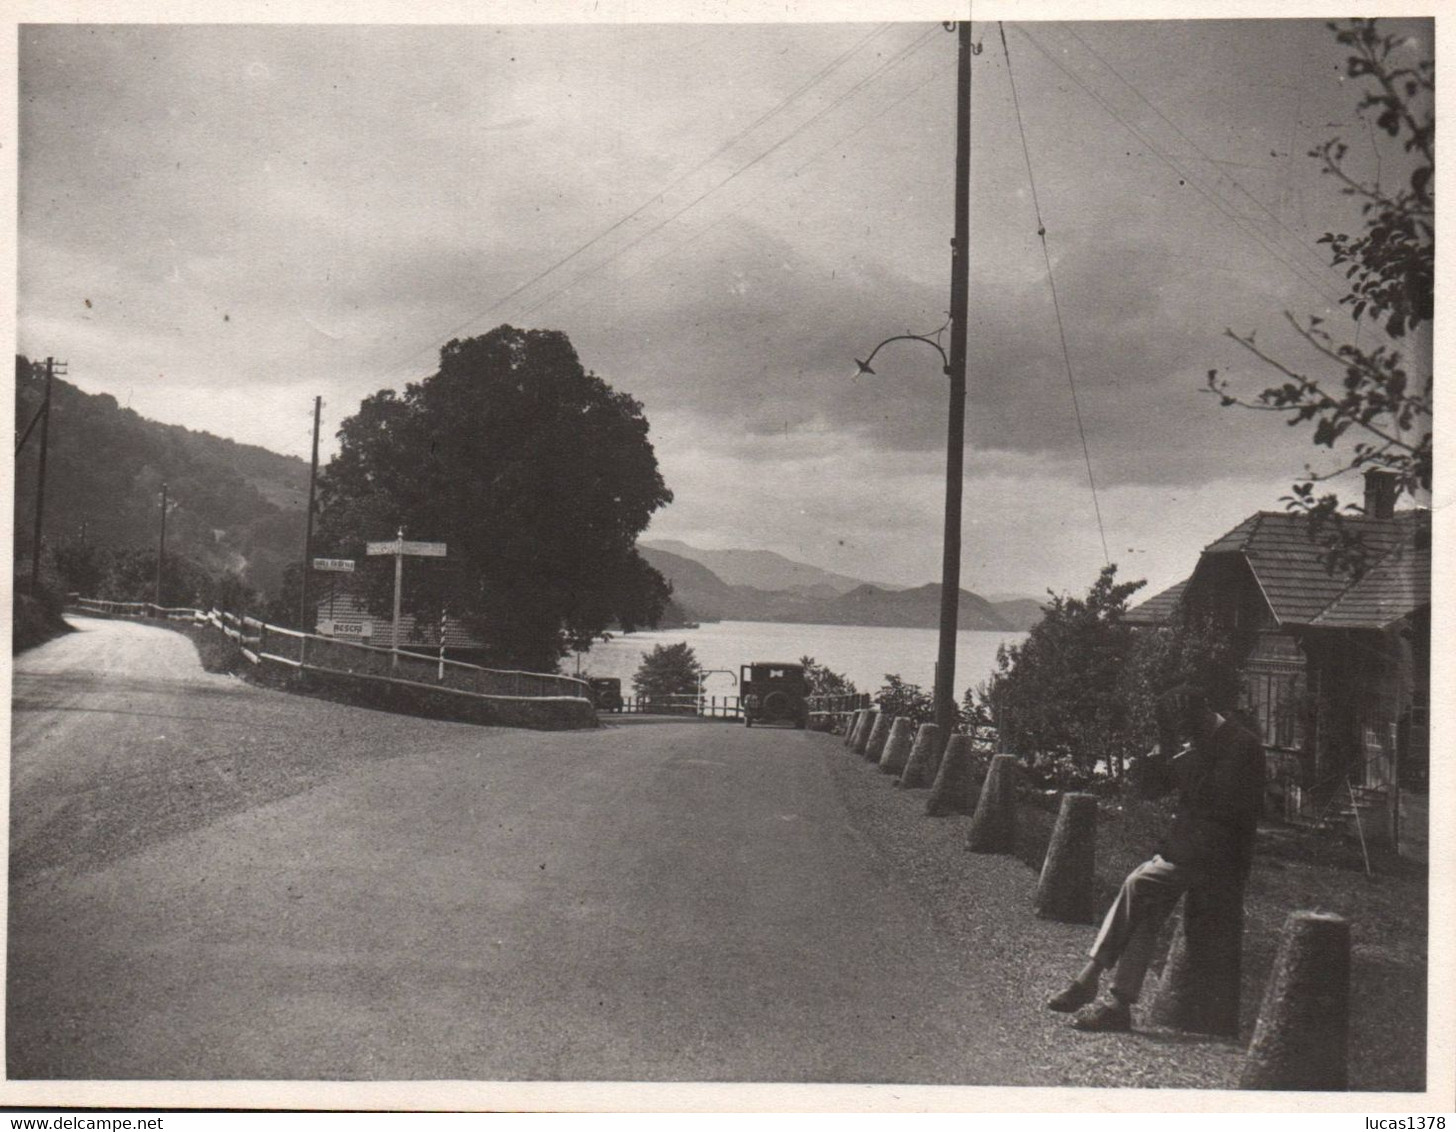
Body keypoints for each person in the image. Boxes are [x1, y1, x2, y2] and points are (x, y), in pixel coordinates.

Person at [1046, 684, 1265, 1032]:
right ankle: (1118, 1005)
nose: (1184, 739)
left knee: (1139, 883)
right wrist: (1158, 753)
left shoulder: (1242, 746)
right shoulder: (1198, 742)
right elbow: (1150, 790)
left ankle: (1089, 978)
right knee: (1145, 908)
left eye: (1186, 731)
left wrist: (1189, 760)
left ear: (1204, 714)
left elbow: (1222, 810)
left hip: (1219, 858)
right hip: (1190, 852)